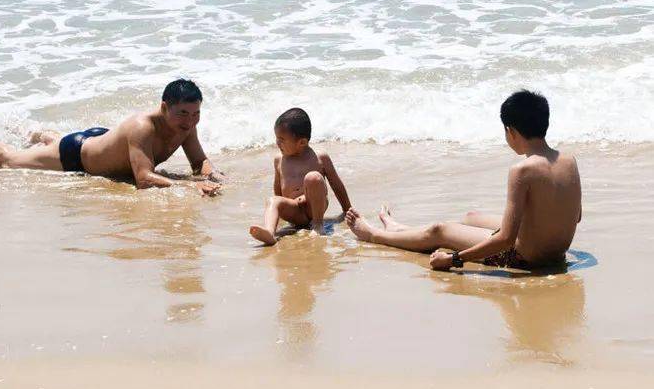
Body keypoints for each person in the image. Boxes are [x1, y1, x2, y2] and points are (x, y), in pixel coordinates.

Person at [347, 89, 582, 271]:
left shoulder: (522, 170)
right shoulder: (568, 160)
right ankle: (402, 230)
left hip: (524, 258)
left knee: (440, 230)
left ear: (511, 131)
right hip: (554, 254)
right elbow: (576, 216)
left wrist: (454, 259)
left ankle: (375, 234)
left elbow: (505, 239)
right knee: (471, 218)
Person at [0, 78, 223, 195]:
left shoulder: (185, 127)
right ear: (164, 107)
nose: (190, 121)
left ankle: (44, 136)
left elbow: (199, 162)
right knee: (9, 160)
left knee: (61, 143)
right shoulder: (143, 127)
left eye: (195, 113)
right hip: (76, 155)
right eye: (183, 113)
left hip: (100, 142)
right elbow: (144, 179)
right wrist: (189, 188)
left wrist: (213, 175)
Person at [249, 107, 353, 246]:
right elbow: (278, 187)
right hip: (294, 212)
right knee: (273, 200)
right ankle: (269, 232)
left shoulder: (319, 157)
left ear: (302, 142)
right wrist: (280, 213)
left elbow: (336, 185)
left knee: (313, 178)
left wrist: (348, 210)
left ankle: (317, 225)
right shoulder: (279, 159)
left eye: (282, 140)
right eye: (276, 138)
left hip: (314, 208)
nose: (277, 143)